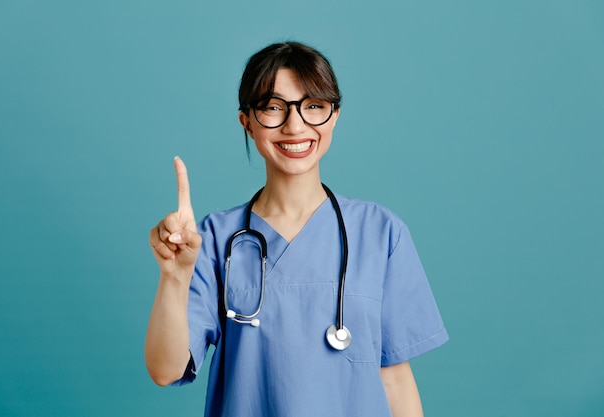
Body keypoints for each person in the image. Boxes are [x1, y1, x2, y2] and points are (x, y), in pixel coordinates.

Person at [145, 41, 448, 417]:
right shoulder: (213, 240)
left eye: (314, 107)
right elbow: (165, 370)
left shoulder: (380, 233)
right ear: (247, 121)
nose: (295, 125)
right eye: (273, 108)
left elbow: (395, 379)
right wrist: (173, 277)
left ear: (334, 116)